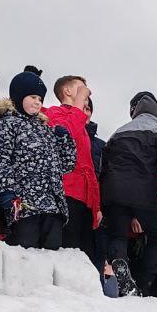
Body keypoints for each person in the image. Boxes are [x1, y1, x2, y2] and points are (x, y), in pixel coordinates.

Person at [99, 82, 157, 297]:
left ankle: (121, 266)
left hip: (113, 192)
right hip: (143, 193)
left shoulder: (116, 133)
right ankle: (141, 283)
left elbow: (103, 168)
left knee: (118, 235)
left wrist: (101, 204)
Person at [0, 67, 77, 250]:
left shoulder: (45, 129)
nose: (37, 103)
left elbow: (65, 167)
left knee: (51, 254)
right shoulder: (7, 124)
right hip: (25, 206)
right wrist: (6, 192)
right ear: (18, 97)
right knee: (26, 255)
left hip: (52, 206)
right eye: (33, 97)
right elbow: (0, 160)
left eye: (40, 99)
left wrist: (65, 142)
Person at [44, 75, 104, 269]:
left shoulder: (84, 126)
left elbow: (90, 168)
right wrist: (79, 102)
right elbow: (66, 134)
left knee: (84, 254)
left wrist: (96, 207)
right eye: (81, 87)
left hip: (85, 198)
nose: (87, 92)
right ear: (67, 91)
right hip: (67, 193)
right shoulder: (53, 112)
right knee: (67, 252)